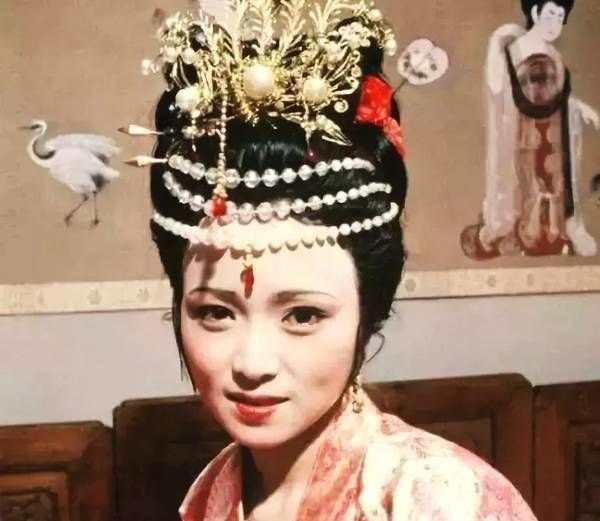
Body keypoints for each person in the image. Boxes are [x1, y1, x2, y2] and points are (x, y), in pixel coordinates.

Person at [128, 1, 539, 519]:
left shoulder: (440, 499)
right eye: (214, 312)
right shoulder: (214, 490)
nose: (253, 363)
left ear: (369, 308)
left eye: (303, 315)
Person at [461, 0, 599, 259]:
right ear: (535, 12)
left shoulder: (554, 55)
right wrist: (497, 41)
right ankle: (520, 234)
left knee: (555, 180)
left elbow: (559, 96)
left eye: (560, 17)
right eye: (550, 14)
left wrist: (581, 108)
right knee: (525, 182)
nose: (554, 22)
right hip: (520, 128)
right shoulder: (513, 50)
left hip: (553, 129)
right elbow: (496, 86)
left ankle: (556, 232)